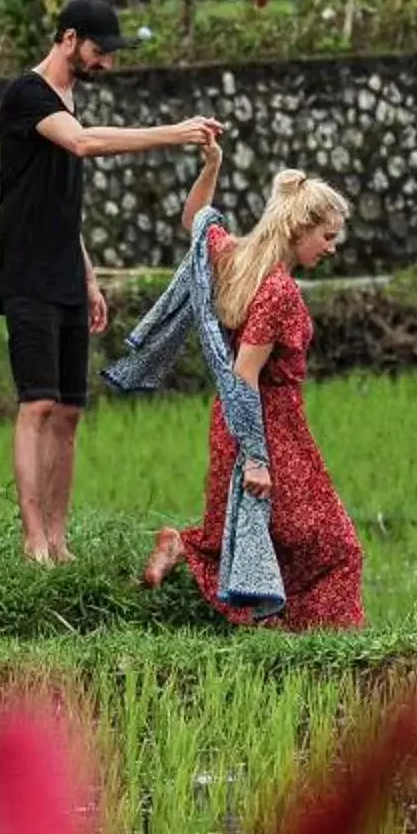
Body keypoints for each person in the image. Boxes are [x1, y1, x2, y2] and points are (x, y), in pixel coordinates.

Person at [0, 0, 222, 564]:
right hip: (26, 273)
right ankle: (33, 539)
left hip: (66, 272)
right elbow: (85, 144)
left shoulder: (67, 99)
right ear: (67, 39)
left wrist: (89, 279)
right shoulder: (27, 96)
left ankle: (60, 540)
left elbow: (63, 211)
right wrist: (175, 132)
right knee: (37, 404)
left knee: (68, 411)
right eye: (99, 51)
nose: (107, 64)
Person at [142, 145, 364, 629]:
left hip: (233, 422)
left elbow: (196, 220)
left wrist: (212, 166)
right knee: (337, 548)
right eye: (327, 236)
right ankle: (324, 643)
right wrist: (259, 457)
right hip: (267, 427)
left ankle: (190, 552)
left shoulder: (238, 258)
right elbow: (245, 372)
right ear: (297, 229)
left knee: (254, 531)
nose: (332, 247)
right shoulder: (279, 291)